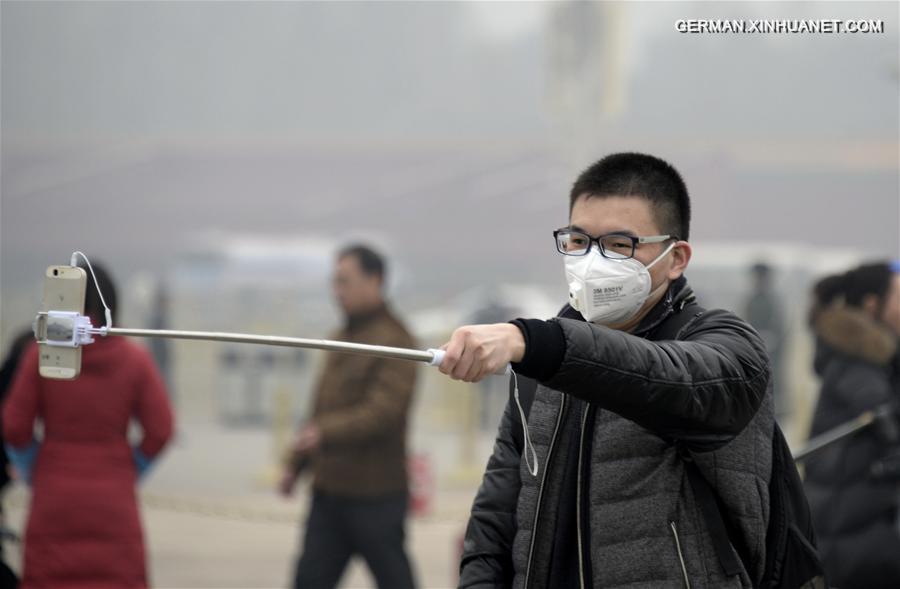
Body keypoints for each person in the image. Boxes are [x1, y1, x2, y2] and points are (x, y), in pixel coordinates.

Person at [444, 153, 774, 588]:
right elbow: (497, 516)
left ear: (676, 258)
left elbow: (669, 378)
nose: (593, 261)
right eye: (578, 241)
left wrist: (538, 343)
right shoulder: (539, 363)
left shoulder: (724, 345)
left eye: (620, 245)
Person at [3, 262, 174, 589]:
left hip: (53, 495)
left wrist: (33, 468)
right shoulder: (134, 359)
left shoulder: (41, 355)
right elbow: (161, 428)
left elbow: (14, 426)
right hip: (115, 499)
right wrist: (131, 467)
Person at [280, 244, 418, 589]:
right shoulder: (341, 337)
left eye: (345, 281)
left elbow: (382, 412)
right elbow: (320, 409)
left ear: (376, 280)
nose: (336, 291)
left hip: (376, 496)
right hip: (329, 494)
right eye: (334, 282)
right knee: (308, 581)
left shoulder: (397, 341)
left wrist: (325, 433)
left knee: (396, 581)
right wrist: (295, 464)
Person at [803, 261, 900, 589]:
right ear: (873, 304)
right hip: (859, 551)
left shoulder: (872, 364)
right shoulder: (860, 369)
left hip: (859, 543)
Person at [742, 262, 787, 421]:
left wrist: (773, 339)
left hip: (772, 354)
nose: (759, 281)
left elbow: (782, 330)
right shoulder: (750, 300)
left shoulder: (774, 302)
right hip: (754, 351)